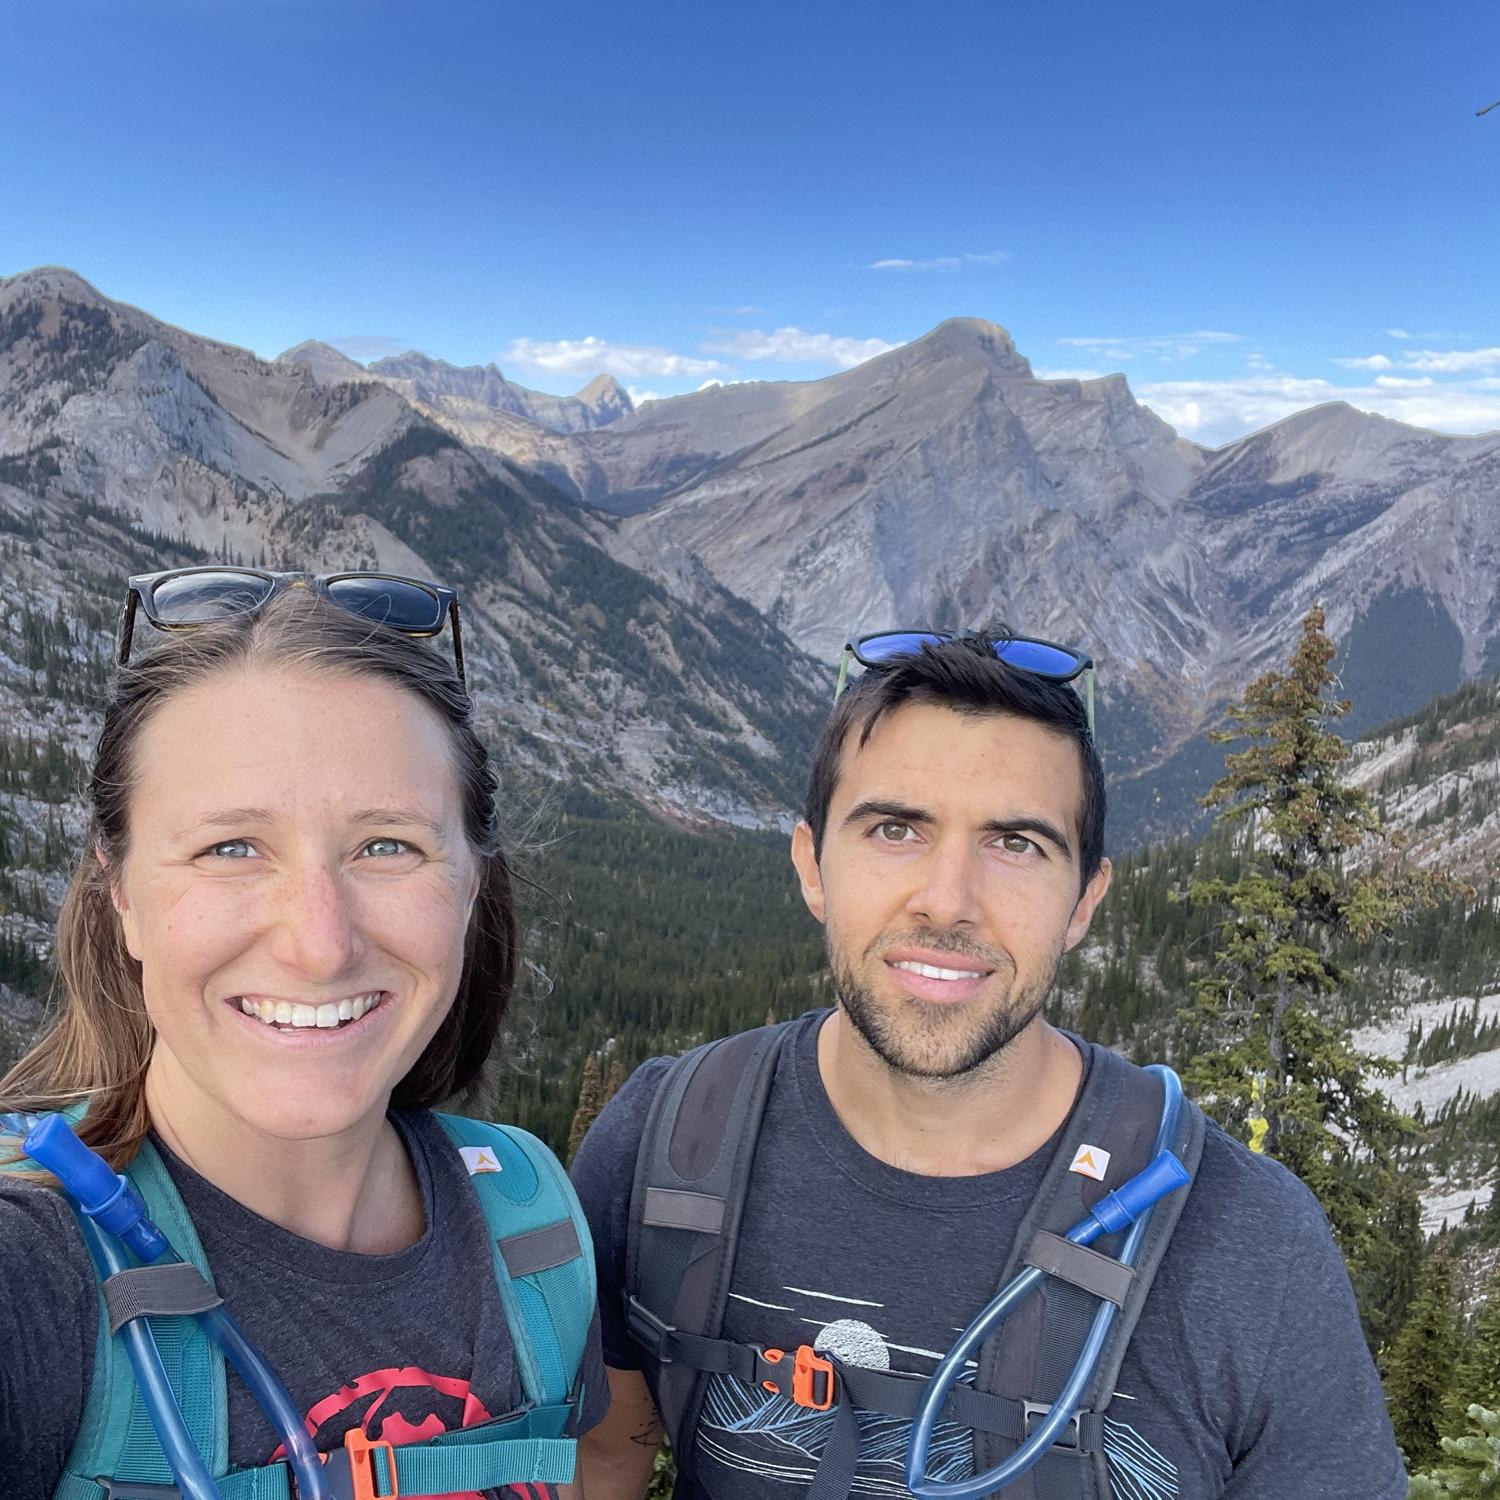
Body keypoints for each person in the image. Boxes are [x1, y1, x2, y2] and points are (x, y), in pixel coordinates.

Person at [571, 631, 1407, 1500]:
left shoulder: (1250, 1243)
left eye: (1016, 844)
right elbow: (604, 1460)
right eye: (895, 829)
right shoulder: (664, 1145)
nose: (948, 901)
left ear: (1085, 900)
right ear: (812, 865)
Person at [0, 567, 607, 1500]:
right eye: (230, 848)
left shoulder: (530, 1218)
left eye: (388, 845)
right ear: (120, 896)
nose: (320, 944)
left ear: (471, 888)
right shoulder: (34, 1272)